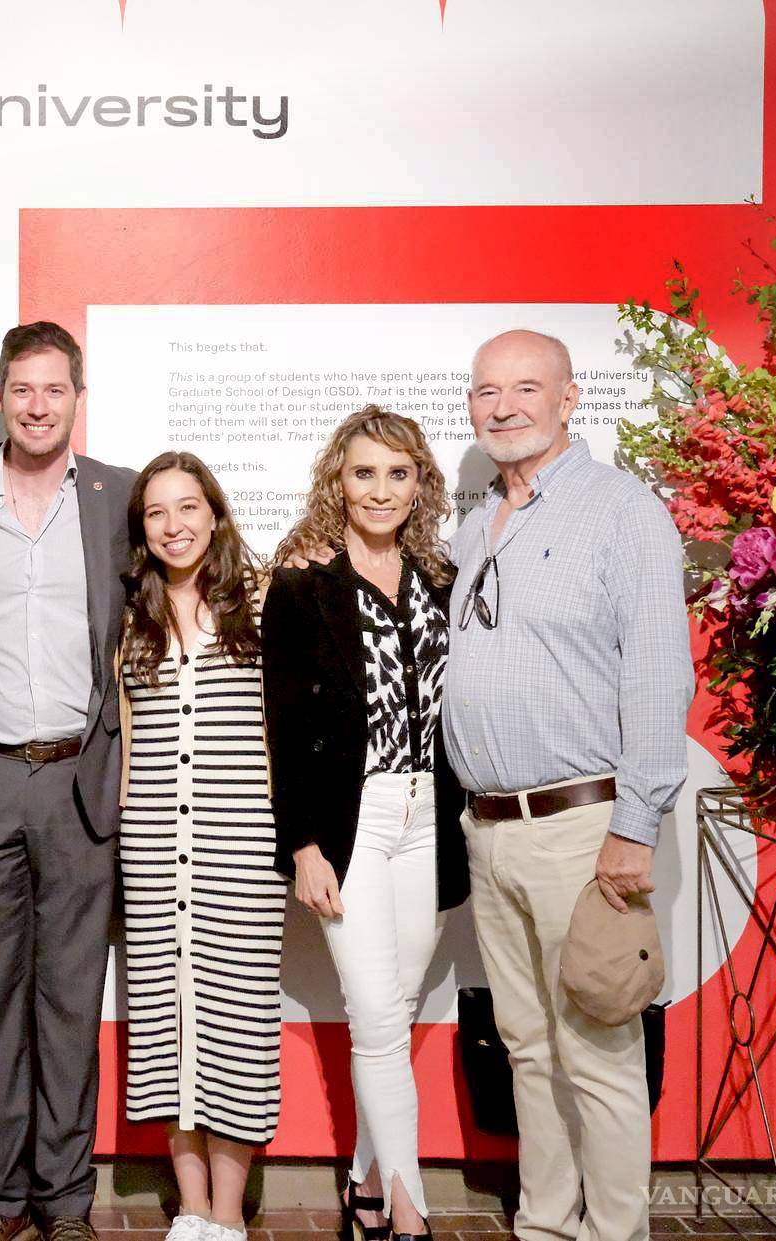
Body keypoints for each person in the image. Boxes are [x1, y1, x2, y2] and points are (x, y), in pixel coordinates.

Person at [449, 330, 692, 1241]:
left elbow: (661, 675)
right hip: (492, 831)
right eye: (485, 391)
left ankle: (614, 1232)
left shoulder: (623, 510)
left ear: (569, 397)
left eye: (524, 387)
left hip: (584, 828)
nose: (503, 406)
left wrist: (636, 824)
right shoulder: (479, 524)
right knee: (526, 1047)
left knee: (599, 1049)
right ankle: (546, 1224)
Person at [0, 322, 137, 1241]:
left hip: (79, 779)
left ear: (77, 395)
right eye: (21, 389)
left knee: (70, 997)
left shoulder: (118, 497)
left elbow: (193, 576)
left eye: (54, 389)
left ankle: (65, 1196)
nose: (37, 406)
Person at [265, 407, 470, 1241]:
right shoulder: (301, 582)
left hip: (432, 816)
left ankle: (363, 1184)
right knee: (377, 1016)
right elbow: (281, 723)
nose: (379, 490)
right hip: (351, 822)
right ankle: (410, 1209)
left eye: (397, 473)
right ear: (336, 481)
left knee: (396, 1000)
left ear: (418, 481)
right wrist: (302, 843)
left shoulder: (444, 577)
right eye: (362, 473)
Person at [115, 453, 285, 1241]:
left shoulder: (262, 603)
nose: (174, 525)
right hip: (152, 850)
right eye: (157, 512)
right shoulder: (132, 616)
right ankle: (190, 1209)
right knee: (163, 1021)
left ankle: (228, 1212)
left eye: (188, 507)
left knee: (237, 1025)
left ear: (214, 514)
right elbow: (126, 744)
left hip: (241, 846)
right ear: (142, 529)